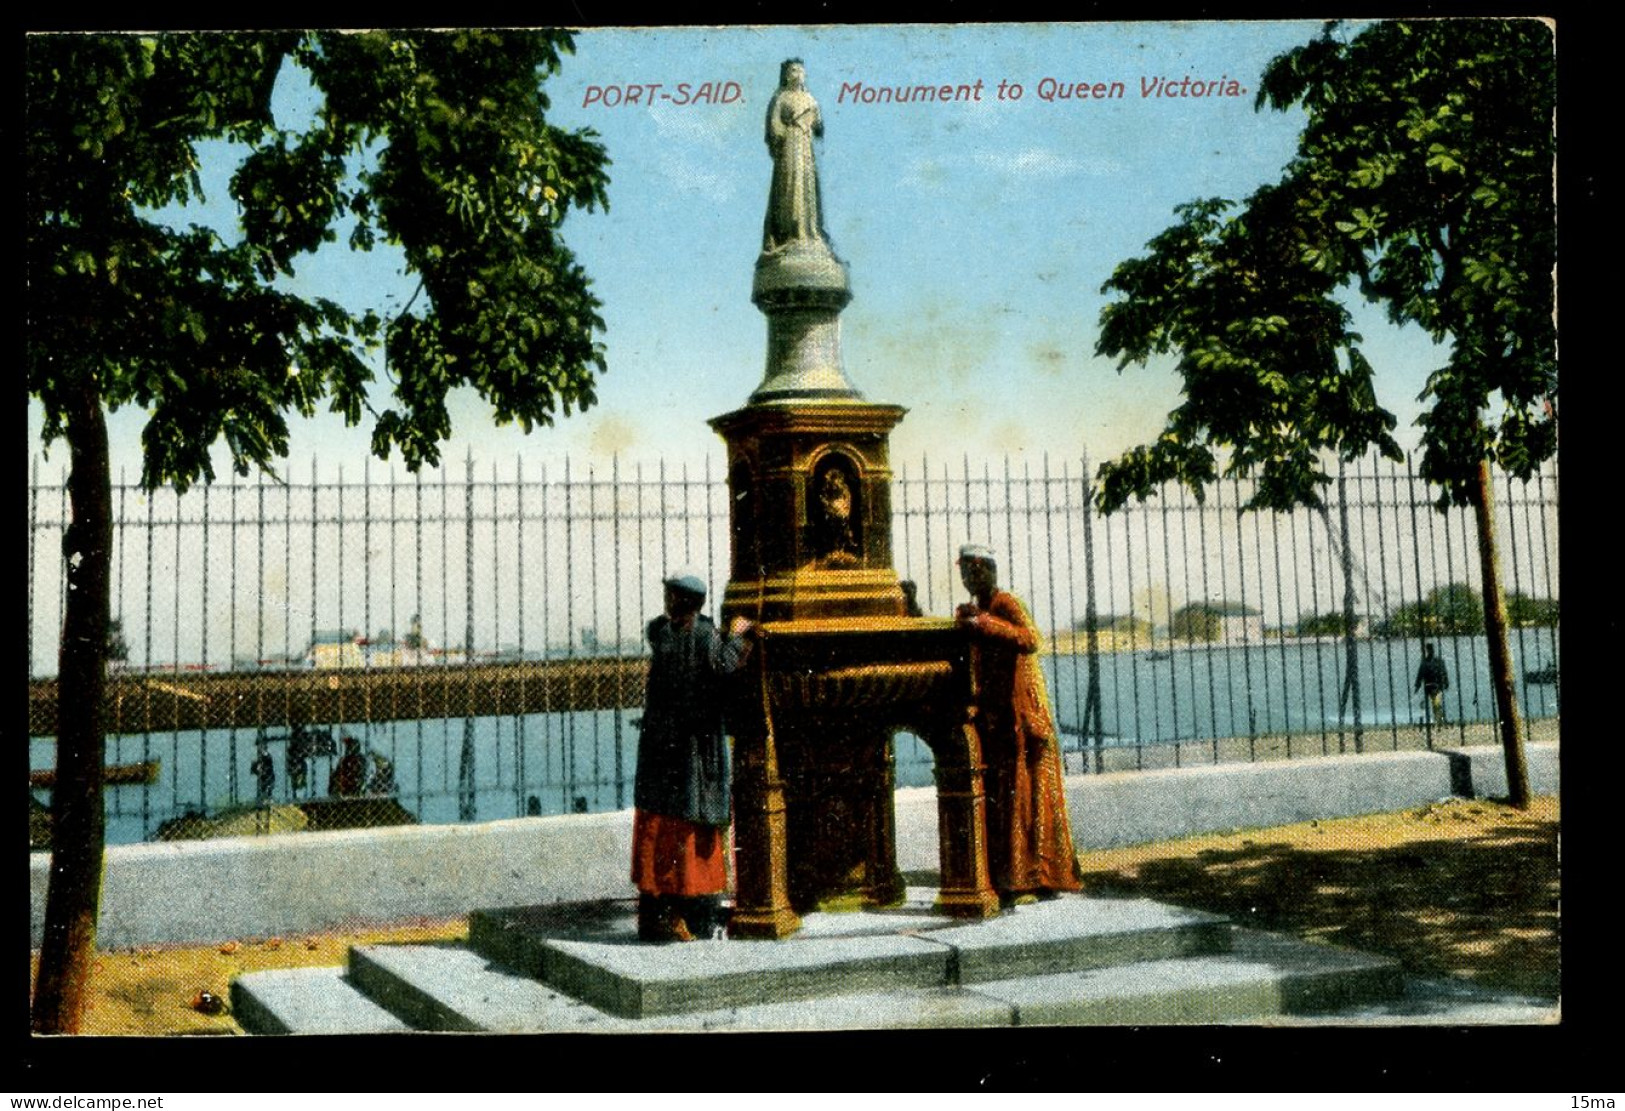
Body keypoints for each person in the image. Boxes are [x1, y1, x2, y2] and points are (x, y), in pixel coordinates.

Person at [631, 571, 757, 942]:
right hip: (691, 752)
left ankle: (657, 917)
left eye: (672, 597)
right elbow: (725, 664)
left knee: (658, 829)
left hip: (658, 749)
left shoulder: (661, 634)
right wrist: (740, 632)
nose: (669, 603)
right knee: (687, 825)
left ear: (681, 602)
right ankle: (682, 916)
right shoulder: (702, 635)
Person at [954, 544, 1083, 906]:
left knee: (1028, 796)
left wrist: (983, 624)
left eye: (972, 571)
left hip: (1023, 718)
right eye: (965, 572)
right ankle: (1013, 875)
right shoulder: (980, 609)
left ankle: (1035, 875)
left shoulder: (1005, 604)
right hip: (1000, 716)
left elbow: (1030, 639)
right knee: (1009, 795)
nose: (968, 578)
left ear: (984, 570)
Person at [762, 59, 827, 252]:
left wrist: (814, 119)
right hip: (790, 145)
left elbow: (818, 125)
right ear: (786, 75)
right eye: (793, 70)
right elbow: (774, 126)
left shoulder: (810, 99)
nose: (797, 73)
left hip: (806, 146)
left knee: (807, 184)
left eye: (800, 70)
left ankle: (808, 230)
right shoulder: (781, 98)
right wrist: (788, 131)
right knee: (791, 185)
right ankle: (791, 232)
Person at [1414, 643, 1450, 725]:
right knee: (1434, 703)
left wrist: (1446, 682)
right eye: (1428, 650)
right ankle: (1439, 719)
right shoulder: (1425, 662)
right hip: (1429, 686)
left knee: (1436, 703)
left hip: (1437, 686)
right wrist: (1417, 685)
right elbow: (1420, 674)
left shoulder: (1438, 661)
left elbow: (1444, 672)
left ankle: (1439, 719)